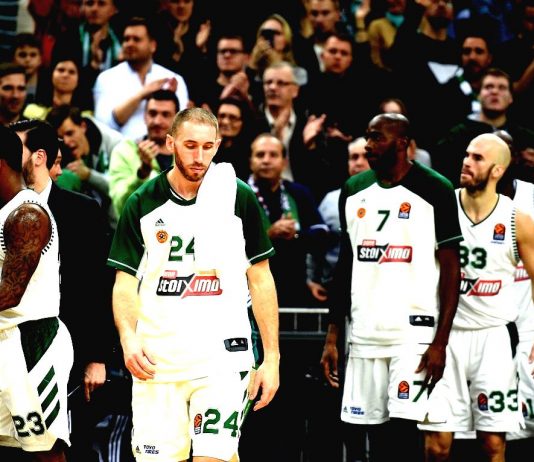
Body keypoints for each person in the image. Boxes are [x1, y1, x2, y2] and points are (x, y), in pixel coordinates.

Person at [107, 107, 280, 461]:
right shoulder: (142, 202)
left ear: (217, 145)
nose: (199, 156)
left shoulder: (238, 196)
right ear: (170, 143)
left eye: (207, 146)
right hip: (158, 362)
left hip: (222, 359)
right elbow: (124, 282)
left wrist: (272, 357)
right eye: (190, 145)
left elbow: (261, 278)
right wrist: (127, 338)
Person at [320, 113, 462, 461]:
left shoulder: (436, 189)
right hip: (365, 333)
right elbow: (346, 265)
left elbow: (452, 271)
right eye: (367, 137)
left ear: (402, 144)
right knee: (368, 435)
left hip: (412, 335)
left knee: (403, 434)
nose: (368, 145)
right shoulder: (353, 190)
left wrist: (440, 342)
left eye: (377, 138)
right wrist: (333, 335)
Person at [420, 133, 534, 461]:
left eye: (477, 158)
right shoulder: (441, 207)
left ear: (498, 170)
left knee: (493, 443)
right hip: (444, 337)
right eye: (467, 155)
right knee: (437, 445)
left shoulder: (516, 219)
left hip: (493, 339)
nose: (467, 162)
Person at [11, 118, 117, 462]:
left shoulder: (82, 211)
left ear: (39, 157)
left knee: (67, 449)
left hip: (68, 354)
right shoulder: (3, 209)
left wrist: (97, 357)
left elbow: (99, 288)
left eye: (16, 148)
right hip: (11, 352)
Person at [0, 124, 73, 461]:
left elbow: (10, 293)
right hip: (6, 339)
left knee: (45, 452)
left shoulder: (26, 214)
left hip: (31, 343)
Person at [431, 68, 534, 188]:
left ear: (511, 97)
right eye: (489, 87)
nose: (495, 91)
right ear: (479, 95)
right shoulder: (456, 135)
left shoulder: (526, 138)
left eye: (502, 88)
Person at [93, 16, 189, 140]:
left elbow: (182, 125)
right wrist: (142, 95)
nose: (129, 44)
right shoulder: (106, 78)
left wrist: (170, 99)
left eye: (136, 39)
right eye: (126, 39)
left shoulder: (172, 78)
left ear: (152, 46)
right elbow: (103, 125)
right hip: (121, 148)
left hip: (165, 148)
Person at [307, 136, 370, 304]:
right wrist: (312, 279)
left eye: (366, 156)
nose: (359, 163)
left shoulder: (391, 198)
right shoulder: (330, 200)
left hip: (374, 288)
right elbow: (317, 243)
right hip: (334, 288)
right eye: (354, 157)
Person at [45, 104, 123, 228]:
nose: (66, 142)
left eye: (70, 133)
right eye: (60, 138)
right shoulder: (59, 152)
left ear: (83, 126)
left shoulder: (117, 145)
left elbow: (121, 189)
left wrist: (89, 175)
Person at [108, 89, 179, 217]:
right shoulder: (124, 151)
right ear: (145, 116)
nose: (157, 121)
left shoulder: (189, 154)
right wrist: (142, 174)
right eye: (152, 113)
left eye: (165, 115)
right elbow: (120, 206)